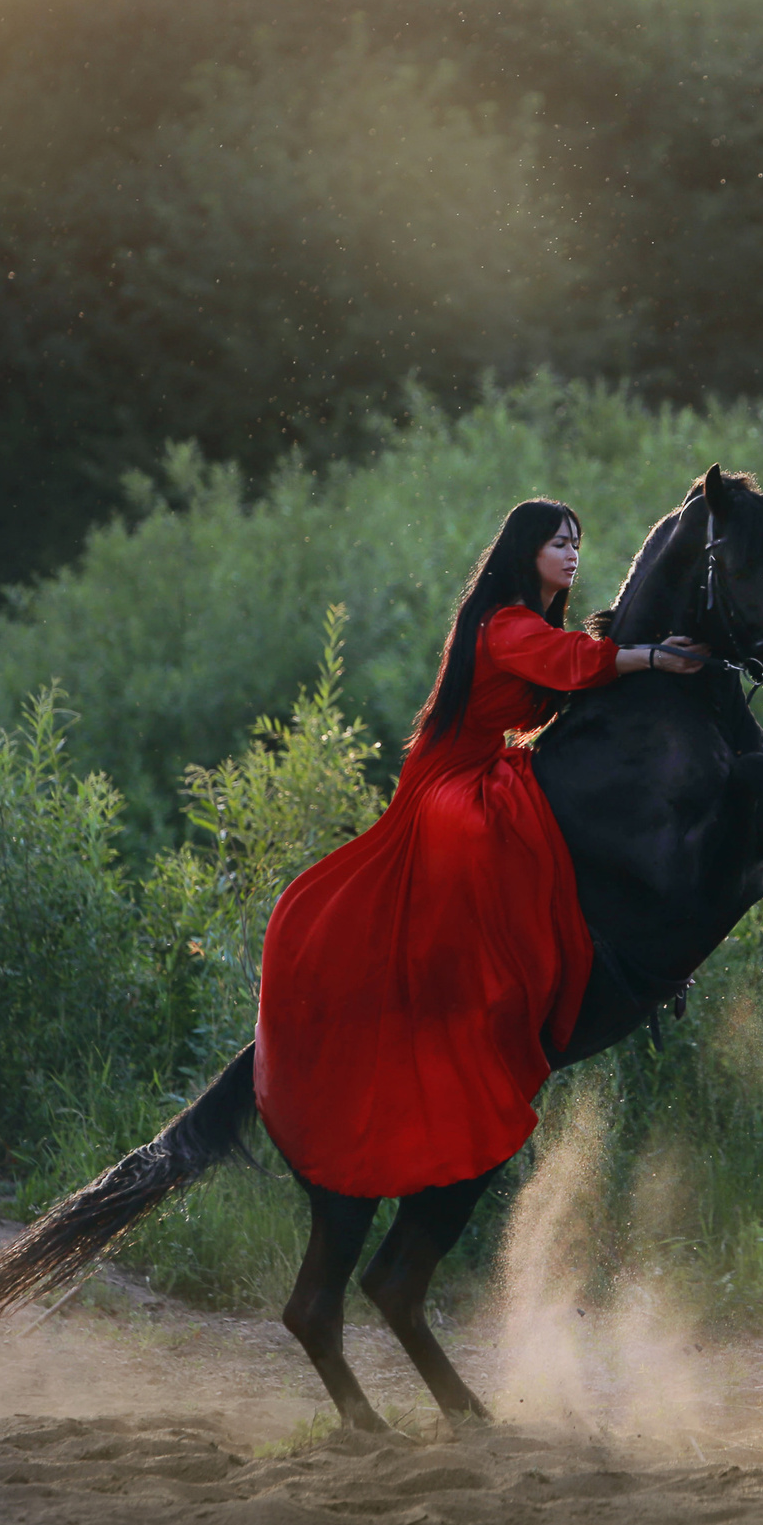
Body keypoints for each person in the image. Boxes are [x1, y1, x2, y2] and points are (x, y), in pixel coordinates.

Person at [254, 500, 707, 1197]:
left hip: (485, 763)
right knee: (491, 828)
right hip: (447, 775)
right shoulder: (503, 623)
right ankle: (490, 975)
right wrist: (650, 656)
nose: (572, 554)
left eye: (577, 544)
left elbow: (570, 671)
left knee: (535, 809)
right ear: (526, 552)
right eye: (558, 543)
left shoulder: (530, 623)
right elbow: (568, 659)